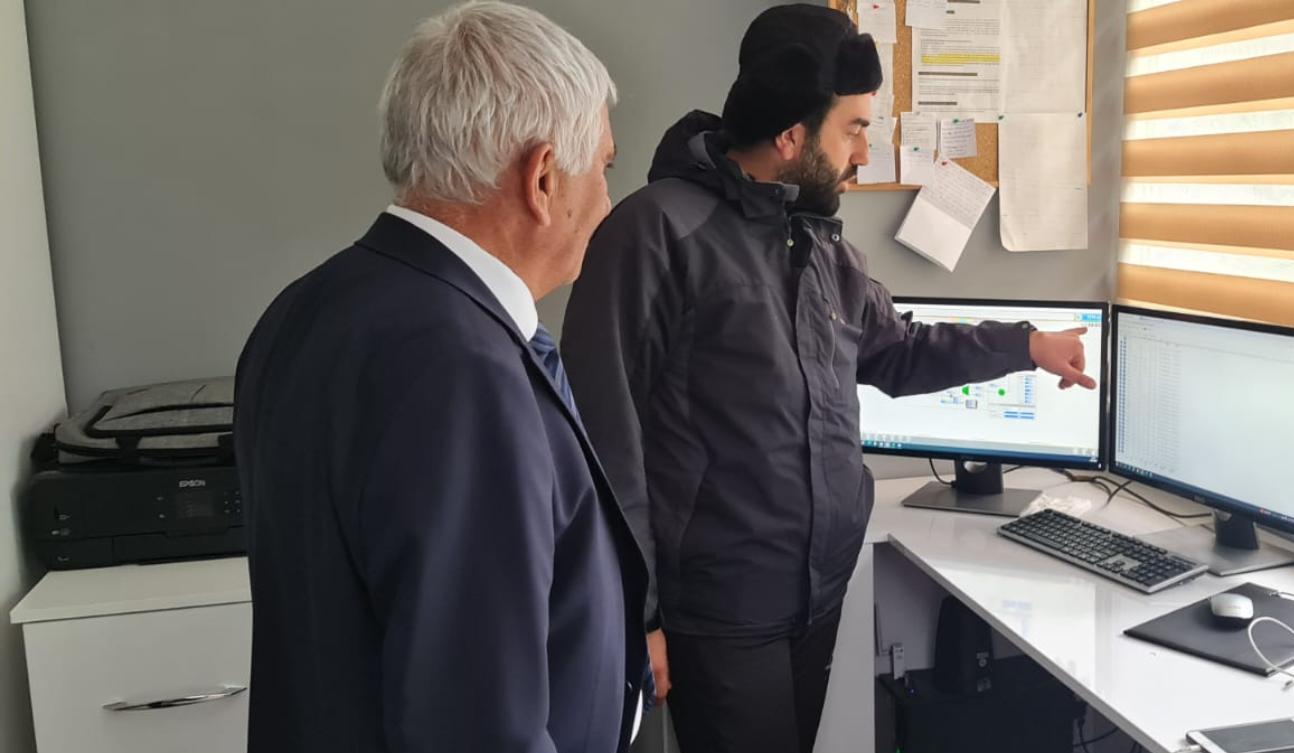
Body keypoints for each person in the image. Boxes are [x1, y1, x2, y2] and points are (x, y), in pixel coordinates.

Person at [560, 5, 1096, 752]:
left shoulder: (820, 244)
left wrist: (1025, 345)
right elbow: (600, 434)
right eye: (853, 129)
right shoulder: (656, 232)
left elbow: (897, 352)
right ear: (791, 135)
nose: (864, 153)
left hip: (818, 589)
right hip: (722, 606)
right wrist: (635, 612)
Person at [234, 4, 648, 752]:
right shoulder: (465, 371)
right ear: (543, 178)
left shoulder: (304, 307)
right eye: (604, 168)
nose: (607, 201)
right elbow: (476, 726)